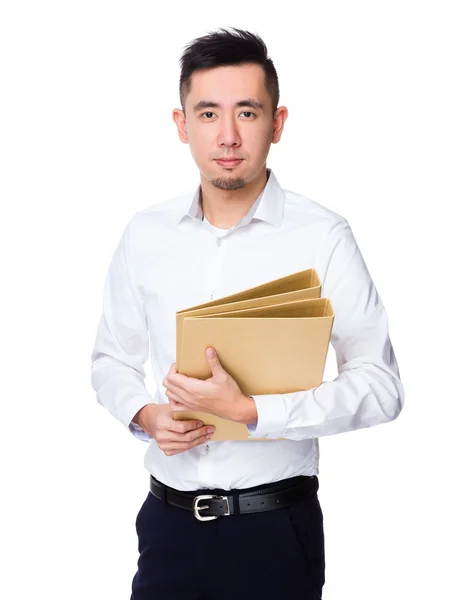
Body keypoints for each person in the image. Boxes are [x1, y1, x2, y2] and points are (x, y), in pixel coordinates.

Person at [90, 26, 404, 600]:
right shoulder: (145, 234)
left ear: (277, 124)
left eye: (248, 112)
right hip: (167, 529)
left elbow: (381, 387)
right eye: (208, 114)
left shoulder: (323, 235)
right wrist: (146, 415)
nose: (228, 136)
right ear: (182, 125)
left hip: (274, 533)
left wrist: (256, 412)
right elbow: (111, 359)